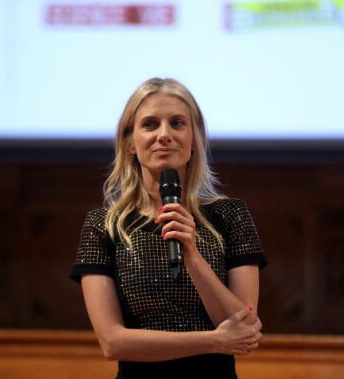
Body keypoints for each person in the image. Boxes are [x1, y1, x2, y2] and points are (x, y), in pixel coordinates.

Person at [70, 77, 267, 379]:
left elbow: (243, 327)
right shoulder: (103, 226)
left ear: (195, 138)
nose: (164, 135)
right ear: (130, 143)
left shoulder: (230, 216)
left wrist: (192, 256)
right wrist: (213, 341)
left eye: (177, 123)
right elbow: (112, 342)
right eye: (150, 124)